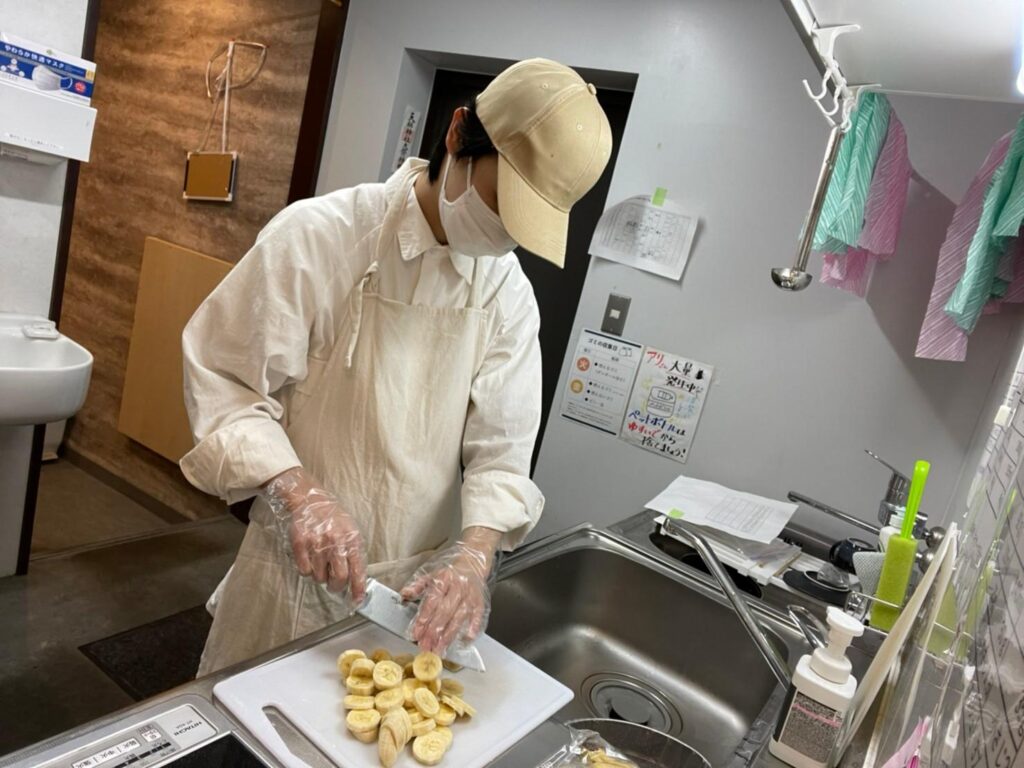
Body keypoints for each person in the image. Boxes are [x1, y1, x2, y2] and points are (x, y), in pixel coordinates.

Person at [180, 58, 612, 675]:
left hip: (413, 598)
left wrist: (474, 556)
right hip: (293, 574)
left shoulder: (507, 294)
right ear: (458, 134)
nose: (502, 234)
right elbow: (225, 381)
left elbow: (502, 454)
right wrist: (300, 495)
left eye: (524, 225)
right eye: (501, 202)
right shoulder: (320, 236)